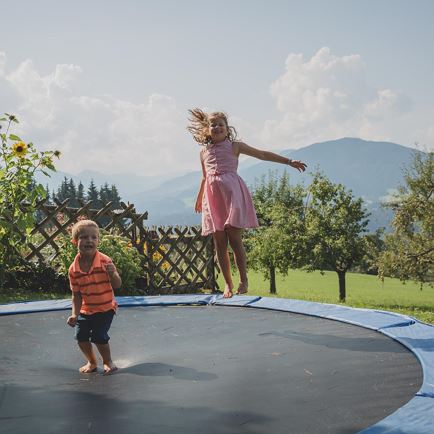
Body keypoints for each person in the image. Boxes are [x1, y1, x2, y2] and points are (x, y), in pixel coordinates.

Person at [188, 108, 307, 298]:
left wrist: (289, 161)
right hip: (213, 199)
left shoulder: (235, 146)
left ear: (227, 129)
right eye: (213, 125)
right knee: (219, 243)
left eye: (221, 124)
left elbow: (262, 154)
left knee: (235, 239)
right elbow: (204, 177)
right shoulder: (203, 152)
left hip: (233, 194)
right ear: (206, 130)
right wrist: (198, 199)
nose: (217, 127)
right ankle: (227, 283)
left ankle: (243, 280)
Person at [66, 219, 122, 374]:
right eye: (84, 237)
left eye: (93, 237)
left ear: (98, 240)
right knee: (80, 336)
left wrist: (113, 273)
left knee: (99, 336)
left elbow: (117, 285)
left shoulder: (105, 261)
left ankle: (107, 361)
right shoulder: (73, 269)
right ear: (75, 241)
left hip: (105, 308)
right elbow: (76, 294)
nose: (89, 240)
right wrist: (74, 314)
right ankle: (91, 362)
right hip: (86, 309)